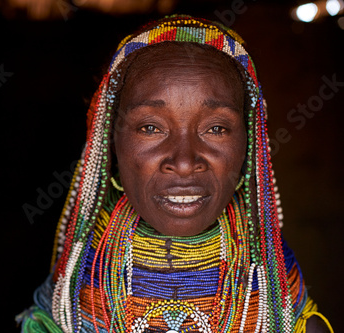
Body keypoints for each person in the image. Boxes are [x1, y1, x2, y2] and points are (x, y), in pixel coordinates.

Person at [17, 14, 333, 333]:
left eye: (216, 128)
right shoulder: (80, 277)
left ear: (248, 144)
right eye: (151, 127)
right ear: (112, 141)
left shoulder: (270, 279)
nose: (183, 162)